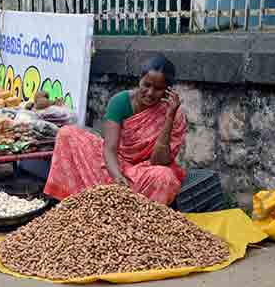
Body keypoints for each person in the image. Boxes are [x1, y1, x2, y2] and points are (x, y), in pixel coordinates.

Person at [44, 54, 187, 205]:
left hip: (144, 172)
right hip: (115, 163)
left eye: (158, 89)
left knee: (165, 177)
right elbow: (109, 149)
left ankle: (138, 216)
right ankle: (80, 202)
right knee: (67, 133)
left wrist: (169, 117)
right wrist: (117, 177)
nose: (150, 93)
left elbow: (159, 161)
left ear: (167, 91)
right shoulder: (120, 101)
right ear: (140, 80)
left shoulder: (173, 115)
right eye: (147, 85)